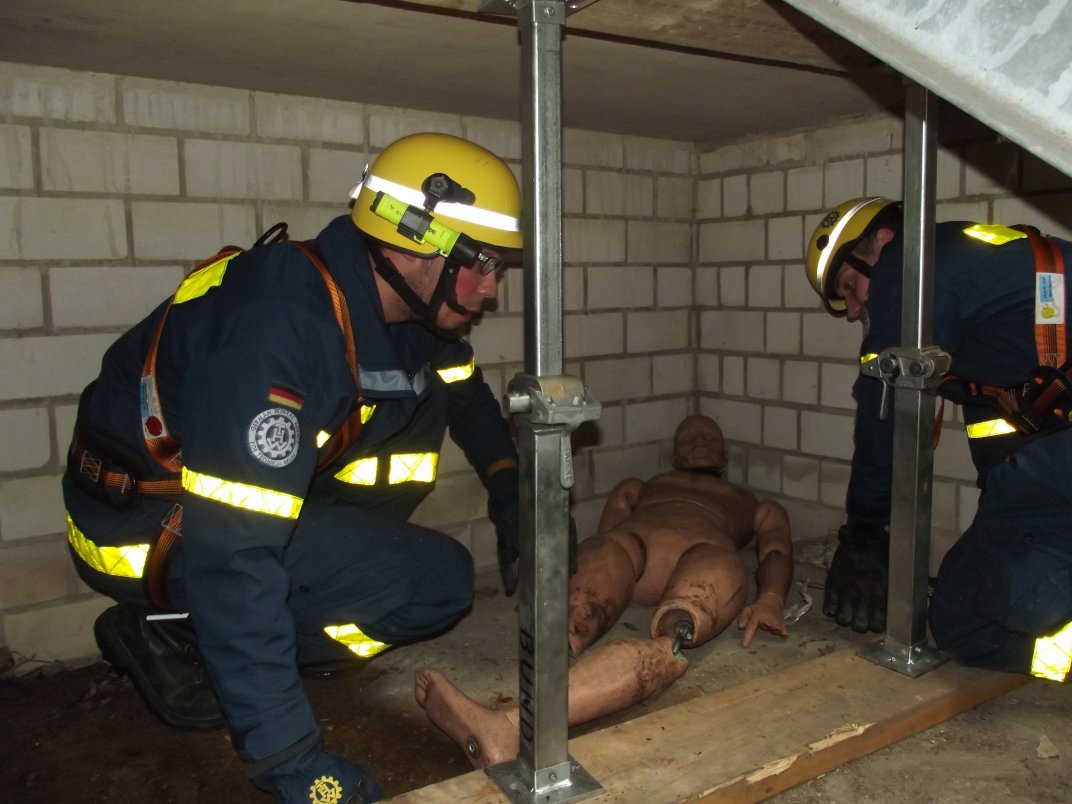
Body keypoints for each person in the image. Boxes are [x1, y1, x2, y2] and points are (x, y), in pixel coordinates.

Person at [62, 132, 527, 803]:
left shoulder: (407, 313)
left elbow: (464, 392)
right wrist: (291, 763)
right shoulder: (278, 327)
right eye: (480, 262)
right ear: (410, 239)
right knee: (431, 583)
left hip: (212, 518)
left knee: (436, 585)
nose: (491, 289)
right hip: (139, 529)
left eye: (499, 268)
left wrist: (510, 487)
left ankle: (231, 642)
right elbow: (234, 555)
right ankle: (186, 637)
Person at [414, 414, 793, 767]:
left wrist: (770, 599)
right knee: (587, 586)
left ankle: (510, 728)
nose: (697, 441)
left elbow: (775, 548)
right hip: (633, 549)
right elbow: (603, 538)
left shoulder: (751, 501)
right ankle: (562, 639)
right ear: (674, 454)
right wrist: (593, 581)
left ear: (724, 453)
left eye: (707, 436)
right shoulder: (641, 486)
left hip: (704, 558)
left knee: (687, 615)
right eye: (688, 437)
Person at [805, 197, 1072, 681]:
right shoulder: (978, 275)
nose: (853, 310)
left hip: (1057, 462)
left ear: (883, 240)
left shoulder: (911, 266)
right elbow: (998, 433)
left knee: (958, 619)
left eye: (850, 285)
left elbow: (884, 404)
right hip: (1051, 462)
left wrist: (864, 529)